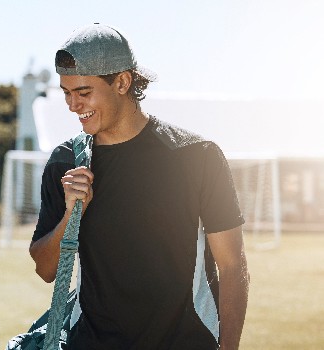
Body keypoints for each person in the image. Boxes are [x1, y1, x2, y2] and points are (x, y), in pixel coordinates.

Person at [29, 24, 249, 349]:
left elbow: (232, 266)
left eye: (84, 92)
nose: (73, 105)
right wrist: (71, 214)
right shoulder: (67, 162)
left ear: (122, 82)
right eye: (67, 93)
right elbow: (46, 269)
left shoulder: (196, 156)